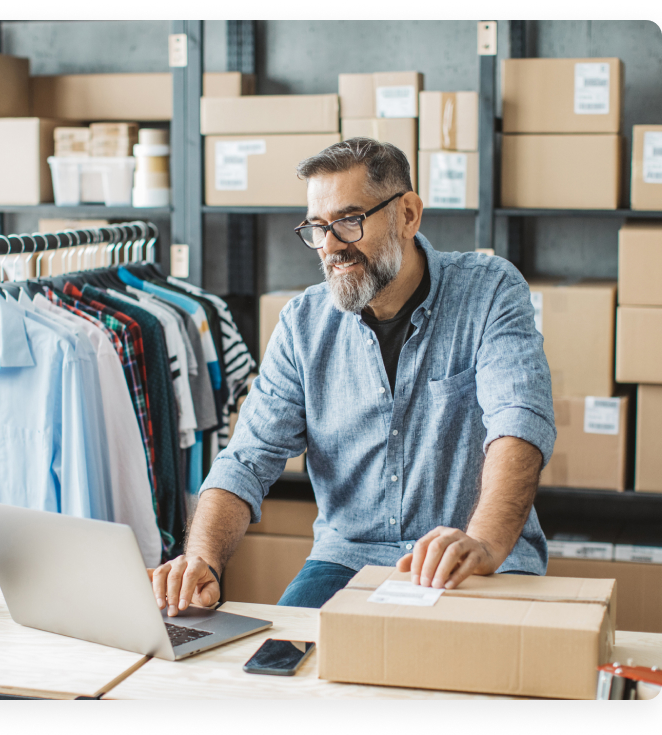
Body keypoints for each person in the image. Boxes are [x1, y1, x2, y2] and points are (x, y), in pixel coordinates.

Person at [149, 137, 556, 614]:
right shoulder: (303, 324)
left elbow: (519, 423)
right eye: (317, 228)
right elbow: (247, 460)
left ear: (408, 214)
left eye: (349, 221)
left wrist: (485, 541)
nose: (331, 247)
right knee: (277, 671)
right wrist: (201, 559)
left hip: (471, 558)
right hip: (347, 562)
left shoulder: (489, 291)